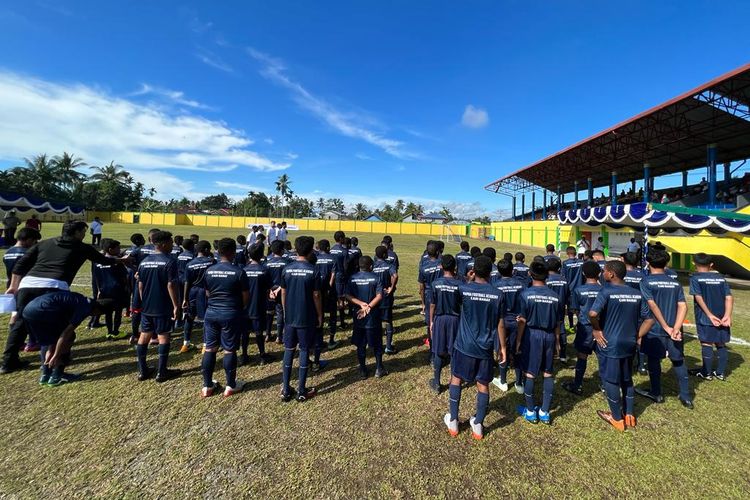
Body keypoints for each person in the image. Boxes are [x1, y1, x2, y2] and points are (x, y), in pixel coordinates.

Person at [1, 221, 119, 374]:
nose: (84, 234)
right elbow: (103, 259)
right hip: (54, 288)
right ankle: (57, 364)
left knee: (20, 323)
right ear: (76, 232)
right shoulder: (80, 246)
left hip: (28, 285)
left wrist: (13, 286)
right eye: (83, 231)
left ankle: (8, 362)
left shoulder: (44, 243)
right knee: (58, 327)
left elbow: (20, 265)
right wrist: (121, 260)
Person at [443, 256, 505, 440]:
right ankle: (477, 424)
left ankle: (453, 420)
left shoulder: (464, 289)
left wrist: (468, 280)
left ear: (474, 271)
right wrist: (502, 347)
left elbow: (457, 301)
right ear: (491, 272)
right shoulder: (498, 294)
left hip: (463, 345)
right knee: (483, 384)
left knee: (456, 378)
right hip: (485, 347)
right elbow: (500, 323)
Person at [589, 260, 654, 431]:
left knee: (610, 380)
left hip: (610, 343)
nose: (602, 273)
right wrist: (636, 335)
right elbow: (649, 319)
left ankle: (617, 418)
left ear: (611, 274)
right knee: (627, 378)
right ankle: (630, 414)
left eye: (604, 271)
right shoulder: (637, 293)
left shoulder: (606, 291)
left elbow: (593, 313)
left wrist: (596, 330)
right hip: (629, 343)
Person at [637, 249, 692, 408]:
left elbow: (652, 304)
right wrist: (676, 327)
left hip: (655, 329)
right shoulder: (675, 282)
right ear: (666, 263)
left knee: (654, 360)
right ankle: (686, 395)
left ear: (648, 263)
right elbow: (683, 306)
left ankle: (656, 392)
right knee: (678, 360)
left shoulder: (646, 282)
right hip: (674, 331)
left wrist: (667, 327)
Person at [24, 291, 113, 386]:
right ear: (99, 311)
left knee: (49, 342)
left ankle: (45, 375)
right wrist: (56, 355)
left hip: (29, 310)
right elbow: (65, 334)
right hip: (44, 311)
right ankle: (57, 375)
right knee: (70, 336)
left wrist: (51, 349)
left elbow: (55, 335)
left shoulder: (81, 299)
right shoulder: (85, 308)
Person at [200, 238, 250, 398]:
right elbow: (245, 296)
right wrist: (238, 308)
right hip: (230, 312)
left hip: (211, 313)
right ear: (233, 252)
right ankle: (231, 385)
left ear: (218, 251)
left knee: (210, 348)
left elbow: (207, 293)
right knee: (229, 349)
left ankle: (207, 386)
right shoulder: (239, 272)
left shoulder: (209, 270)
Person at [515, 261, 560, 425]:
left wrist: (519, 340)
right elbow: (557, 322)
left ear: (530, 274)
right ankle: (545, 411)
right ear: (547, 275)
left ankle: (531, 411)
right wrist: (557, 341)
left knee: (530, 373)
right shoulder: (555, 296)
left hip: (532, 335)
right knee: (548, 372)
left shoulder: (526, 294)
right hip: (549, 336)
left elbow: (522, 321)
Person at [280, 236, 322, 402]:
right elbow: (316, 295)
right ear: (311, 250)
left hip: (290, 317)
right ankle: (302, 390)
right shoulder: (313, 270)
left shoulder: (286, 269)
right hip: (306, 317)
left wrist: (285, 311)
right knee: (304, 350)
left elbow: (283, 292)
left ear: (295, 250)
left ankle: (285, 389)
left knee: (289, 349)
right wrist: (319, 315)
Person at [134, 230, 180, 383]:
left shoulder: (144, 261)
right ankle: (162, 372)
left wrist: (144, 301)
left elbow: (140, 285)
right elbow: (171, 285)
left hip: (147, 306)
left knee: (144, 334)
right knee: (163, 335)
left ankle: (142, 370)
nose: (172, 245)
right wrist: (176, 305)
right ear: (163, 244)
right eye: (170, 242)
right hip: (162, 305)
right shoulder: (169, 261)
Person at [688, 253, 733, 381]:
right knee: (721, 343)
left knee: (706, 343)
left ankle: (706, 373)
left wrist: (709, 315)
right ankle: (720, 373)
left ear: (694, 264)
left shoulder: (695, 278)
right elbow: (729, 297)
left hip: (705, 317)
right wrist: (727, 316)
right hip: (722, 316)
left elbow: (698, 297)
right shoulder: (720, 278)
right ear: (711, 265)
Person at [562, 260, 602, 396]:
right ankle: (604, 385)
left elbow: (575, 310)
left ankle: (577, 384)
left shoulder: (579, 290)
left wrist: (583, 318)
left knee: (582, 356)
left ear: (583, 273)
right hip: (602, 329)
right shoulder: (605, 290)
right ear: (599, 273)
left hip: (585, 329)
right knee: (602, 357)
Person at [346, 255, 386, 379]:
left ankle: (363, 370)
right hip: (372, 317)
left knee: (361, 344)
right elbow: (379, 296)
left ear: (359, 266)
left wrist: (361, 304)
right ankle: (379, 368)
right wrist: (368, 307)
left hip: (359, 316)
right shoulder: (376, 278)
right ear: (371, 266)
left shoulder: (352, 278)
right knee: (377, 344)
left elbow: (347, 295)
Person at [429, 255, 461, 393]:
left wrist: (431, 321)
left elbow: (432, 305)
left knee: (438, 350)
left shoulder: (436, 283)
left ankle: (436, 382)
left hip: (440, 319)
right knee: (453, 351)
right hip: (455, 320)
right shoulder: (460, 284)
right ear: (454, 267)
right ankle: (454, 380)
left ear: (441, 266)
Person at [492, 259, 524, 393]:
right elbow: (525, 301)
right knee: (518, 350)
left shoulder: (495, 285)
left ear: (499, 271)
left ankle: (503, 381)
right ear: (513, 270)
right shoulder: (521, 285)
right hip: (517, 322)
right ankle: (519, 383)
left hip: (502, 322)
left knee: (502, 349)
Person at [242, 242, 273, 367]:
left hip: (244, 307)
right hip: (258, 306)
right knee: (259, 332)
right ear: (261, 255)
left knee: (245, 332)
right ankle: (262, 355)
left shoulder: (243, 270)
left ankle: (244, 355)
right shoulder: (264, 271)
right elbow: (269, 288)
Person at [93, 239, 130, 339]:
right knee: (118, 312)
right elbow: (125, 277)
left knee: (108, 312)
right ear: (110, 249)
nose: (119, 249)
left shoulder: (97, 263)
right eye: (117, 248)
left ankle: (109, 332)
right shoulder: (117, 263)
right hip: (117, 291)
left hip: (104, 290)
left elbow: (96, 277)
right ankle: (116, 332)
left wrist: (99, 290)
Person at [182, 241, 214, 352]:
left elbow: (187, 282)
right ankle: (205, 345)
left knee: (189, 317)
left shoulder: (190, 264)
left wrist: (185, 298)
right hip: (205, 292)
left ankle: (186, 343)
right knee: (206, 318)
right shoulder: (211, 262)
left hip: (192, 292)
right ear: (206, 250)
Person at [373, 245, 398, 355]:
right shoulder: (388, 265)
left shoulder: (372, 266)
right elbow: (395, 275)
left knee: (377, 322)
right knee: (388, 321)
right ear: (384, 255)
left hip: (375, 298)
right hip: (386, 298)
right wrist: (391, 288)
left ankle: (377, 345)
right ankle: (388, 346)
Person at [314, 239, 338, 350]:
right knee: (333, 315)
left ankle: (319, 340)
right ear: (328, 248)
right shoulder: (333, 259)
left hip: (317, 290)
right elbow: (333, 274)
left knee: (320, 314)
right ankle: (331, 341)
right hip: (330, 290)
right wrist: (329, 287)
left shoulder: (315, 258)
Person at [418, 241, 442, 347]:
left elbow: (421, 287)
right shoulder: (442, 264)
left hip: (428, 295)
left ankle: (431, 341)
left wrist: (422, 303)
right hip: (441, 293)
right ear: (438, 252)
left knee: (430, 320)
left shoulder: (424, 267)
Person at [546, 259, 569, 363]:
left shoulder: (546, 280)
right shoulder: (564, 280)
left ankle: (550, 353)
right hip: (560, 309)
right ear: (559, 268)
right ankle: (563, 354)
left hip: (548, 308)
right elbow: (568, 294)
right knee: (561, 329)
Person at [266, 240, 289, 343]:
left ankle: (267, 334)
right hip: (281, 290)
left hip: (270, 291)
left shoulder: (267, 263)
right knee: (280, 312)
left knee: (269, 312)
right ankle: (279, 336)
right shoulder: (286, 263)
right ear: (282, 250)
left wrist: (270, 290)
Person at [330, 231, 348, 330]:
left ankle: (331, 321)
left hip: (331, 277)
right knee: (341, 299)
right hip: (340, 277)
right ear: (341, 238)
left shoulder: (331, 250)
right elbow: (345, 266)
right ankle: (342, 322)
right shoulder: (344, 251)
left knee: (333, 299)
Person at [562, 245, 583, 332]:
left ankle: (571, 326)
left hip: (570, 289)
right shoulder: (582, 262)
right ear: (575, 253)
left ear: (567, 253)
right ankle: (579, 325)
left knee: (571, 309)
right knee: (580, 308)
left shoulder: (565, 263)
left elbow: (564, 276)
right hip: (581, 288)